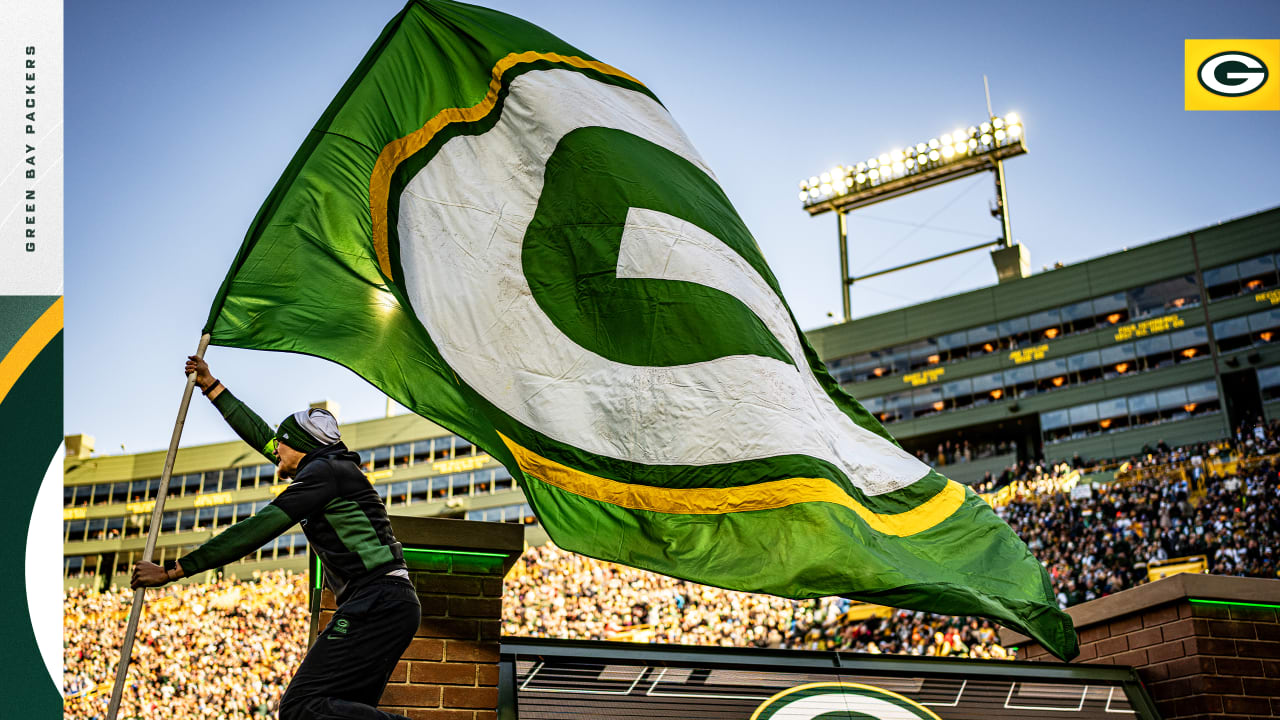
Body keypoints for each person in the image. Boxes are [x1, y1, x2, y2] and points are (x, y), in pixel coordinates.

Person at [131, 355, 421, 720]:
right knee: (338, 712)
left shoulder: (323, 474)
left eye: (281, 443)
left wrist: (174, 570)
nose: (274, 449)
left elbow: (257, 528)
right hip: (386, 601)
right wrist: (210, 386)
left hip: (377, 601)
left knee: (301, 707)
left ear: (299, 445)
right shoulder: (325, 466)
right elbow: (261, 435)